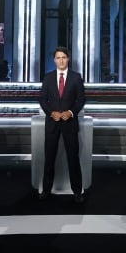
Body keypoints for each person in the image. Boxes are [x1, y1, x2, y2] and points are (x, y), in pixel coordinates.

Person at [38, 47, 86, 203]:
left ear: (68, 59)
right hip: (52, 122)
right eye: (58, 58)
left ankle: (77, 191)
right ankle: (46, 190)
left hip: (69, 123)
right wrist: (52, 113)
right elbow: (42, 100)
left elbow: (80, 100)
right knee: (49, 158)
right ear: (54, 60)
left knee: (73, 158)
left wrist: (71, 112)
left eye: (64, 57)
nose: (61, 60)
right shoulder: (48, 78)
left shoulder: (76, 77)